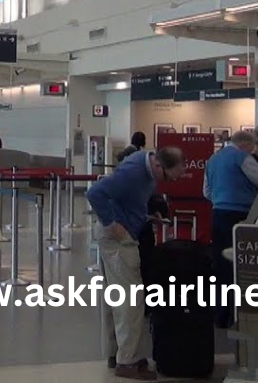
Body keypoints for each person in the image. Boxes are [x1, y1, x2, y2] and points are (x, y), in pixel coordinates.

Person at [87, 145, 185, 380]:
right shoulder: (134, 171)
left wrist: (146, 216)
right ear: (159, 165)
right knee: (131, 300)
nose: (166, 181)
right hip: (119, 239)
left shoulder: (145, 161)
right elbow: (95, 193)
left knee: (115, 298)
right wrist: (113, 225)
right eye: (167, 176)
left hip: (125, 229)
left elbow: (129, 198)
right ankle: (127, 362)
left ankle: (117, 353)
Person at [204, 125, 258, 329]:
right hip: (240, 215)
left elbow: (206, 192)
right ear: (246, 144)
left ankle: (219, 314)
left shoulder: (213, 159)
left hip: (218, 213)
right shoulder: (241, 157)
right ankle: (235, 315)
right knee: (239, 263)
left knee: (221, 264)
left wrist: (221, 199)